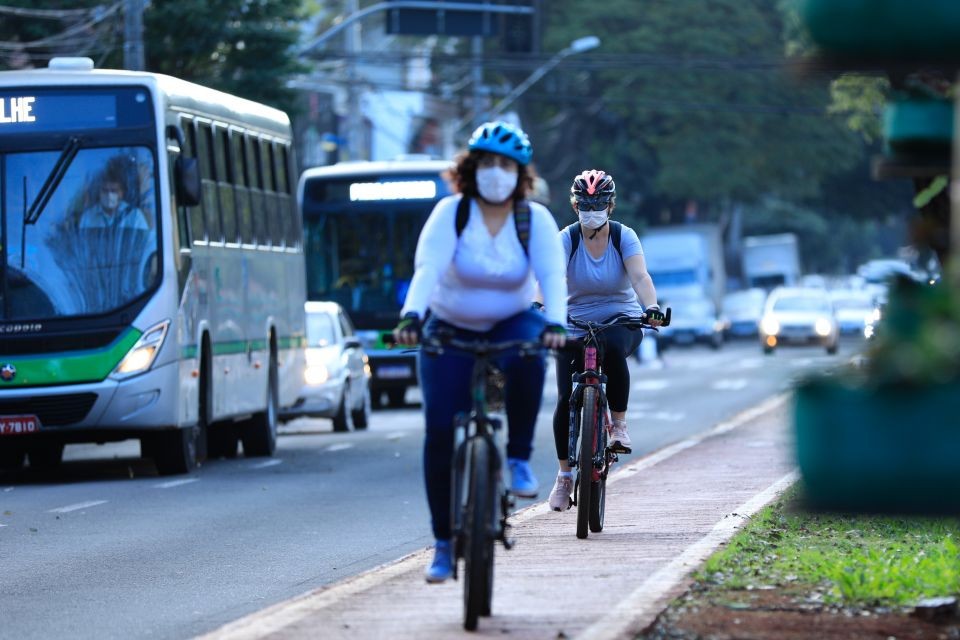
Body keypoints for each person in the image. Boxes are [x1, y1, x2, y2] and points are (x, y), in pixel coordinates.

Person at [393, 121, 568, 583]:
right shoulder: (451, 214)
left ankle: (518, 457)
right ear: (470, 169)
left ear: (520, 173)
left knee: (532, 352)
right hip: (449, 325)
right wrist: (412, 317)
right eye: (487, 163)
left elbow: (552, 277)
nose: (496, 173)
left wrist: (555, 324)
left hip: (512, 321)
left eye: (505, 165)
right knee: (437, 431)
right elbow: (427, 269)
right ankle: (444, 545)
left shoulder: (534, 219)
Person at [547, 169, 664, 512]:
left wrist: (652, 306)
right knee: (563, 396)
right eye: (585, 203)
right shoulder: (565, 239)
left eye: (598, 203)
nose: (591, 209)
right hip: (573, 321)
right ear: (574, 205)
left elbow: (640, 276)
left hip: (619, 318)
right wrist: (540, 305)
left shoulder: (623, 236)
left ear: (610, 206)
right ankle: (565, 475)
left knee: (612, 348)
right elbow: (550, 278)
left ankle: (619, 426)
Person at [79, 156, 149, 230]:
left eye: (114, 191)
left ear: (122, 193)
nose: (109, 195)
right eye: (105, 190)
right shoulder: (88, 216)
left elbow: (145, 240)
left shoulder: (134, 216)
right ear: (99, 192)